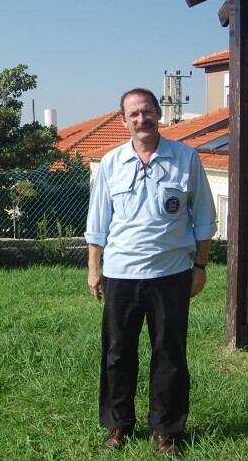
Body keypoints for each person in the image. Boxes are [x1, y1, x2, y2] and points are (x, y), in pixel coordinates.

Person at [85, 87, 216, 456]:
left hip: (171, 273)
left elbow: (204, 218)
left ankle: (166, 430)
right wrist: (95, 269)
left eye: (147, 111)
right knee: (117, 353)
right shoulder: (111, 162)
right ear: (124, 120)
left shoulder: (186, 158)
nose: (141, 118)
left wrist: (201, 266)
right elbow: (98, 222)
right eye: (133, 114)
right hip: (122, 274)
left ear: (159, 113)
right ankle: (117, 426)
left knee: (170, 354)